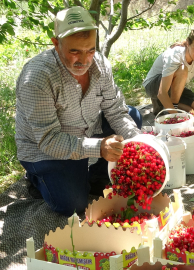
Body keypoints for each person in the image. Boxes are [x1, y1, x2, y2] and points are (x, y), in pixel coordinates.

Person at [15, 6, 142, 216]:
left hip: (87, 133)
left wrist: (141, 144)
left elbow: (116, 111)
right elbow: (49, 140)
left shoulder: (100, 65)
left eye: (90, 50)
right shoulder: (37, 78)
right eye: (74, 51)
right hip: (45, 149)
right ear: (56, 43)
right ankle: (37, 178)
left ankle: (94, 176)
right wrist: (99, 147)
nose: (84, 60)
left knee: (133, 117)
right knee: (73, 205)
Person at [143, 28, 194, 115]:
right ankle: (171, 107)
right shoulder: (175, 55)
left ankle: (167, 106)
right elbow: (162, 92)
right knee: (183, 69)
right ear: (188, 43)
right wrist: (175, 116)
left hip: (176, 88)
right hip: (154, 85)